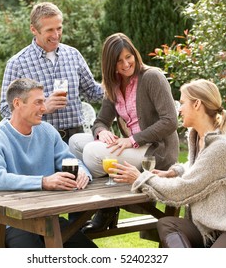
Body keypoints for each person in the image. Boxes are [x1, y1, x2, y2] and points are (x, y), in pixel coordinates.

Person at [111, 79, 226, 248]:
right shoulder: (198, 136)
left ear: (197, 104)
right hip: (214, 225)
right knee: (167, 224)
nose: (179, 109)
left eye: (183, 103)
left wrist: (141, 177)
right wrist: (174, 171)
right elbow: (199, 166)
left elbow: (181, 191)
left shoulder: (222, 146)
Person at [69, 33, 179, 233]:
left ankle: (104, 208)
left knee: (92, 152)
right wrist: (102, 132)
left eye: (129, 57)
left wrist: (133, 140)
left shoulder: (152, 77)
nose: (126, 64)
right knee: (76, 141)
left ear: (135, 55)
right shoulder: (113, 85)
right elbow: (101, 121)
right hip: (129, 145)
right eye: (119, 61)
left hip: (154, 150)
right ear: (110, 64)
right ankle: (107, 206)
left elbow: (170, 121)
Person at [0, 77, 97, 248]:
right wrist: (43, 182)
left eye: (43, 101)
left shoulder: (47, 131)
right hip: (13, 221)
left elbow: (70, 160)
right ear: (18, 103)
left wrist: (82, 173)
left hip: (49, 217)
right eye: (38, 102)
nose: (44, 108)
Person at [0, 2, 103, 144]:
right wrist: (41, 108)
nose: (56, 35)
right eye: (50, 30)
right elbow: (6, 109)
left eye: (59, 28)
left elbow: (93, 92)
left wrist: (115, 80)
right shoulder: (17, 64)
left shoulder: (73, 55)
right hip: (38, 140)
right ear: (33, 29)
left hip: (76, 139)